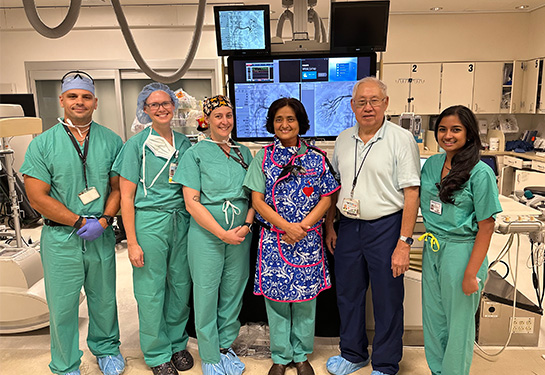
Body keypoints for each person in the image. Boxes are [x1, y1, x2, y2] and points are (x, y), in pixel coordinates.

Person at [21, 71, 125, 375]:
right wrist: (78, 220)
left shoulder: (111, 140)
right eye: (73, 96)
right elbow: (37, 196)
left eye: (86, 96)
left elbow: (118, 188)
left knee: (104, 298)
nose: (79, 102)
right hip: (61, 237)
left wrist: (105, 220)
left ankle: (106, 348)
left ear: (95, 102)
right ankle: (66, 364)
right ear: (62, 101)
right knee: (63, 305)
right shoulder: (43, 144)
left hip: (101, 234)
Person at [325, 77, 421, 375]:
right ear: (352, 106)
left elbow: (412, 192)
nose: (368, 107)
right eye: (361, 102)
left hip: (387, 228)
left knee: (387, 297)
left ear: (386, 103)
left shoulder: (400, 139)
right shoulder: (342, 139)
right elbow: (333, 188)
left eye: (374, 100)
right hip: (349, 227)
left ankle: (385, 362)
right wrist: (331, 227)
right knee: (348, 294)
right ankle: (353, 353)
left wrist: (404, 242)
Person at [243, 97, 340, 375]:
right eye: (278, 119)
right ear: (271, 124)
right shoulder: (262, 157)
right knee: (276, 302)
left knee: (306, 302)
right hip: (275, 239)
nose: (284, 124)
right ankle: (280, 356)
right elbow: (257, 201)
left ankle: (300, 355)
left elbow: (327, 198)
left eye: (290, 119)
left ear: (301, 123)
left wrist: (302, 227)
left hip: (307, 240)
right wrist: (286, 226)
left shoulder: (316, 157)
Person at [113, 82, 194, 375]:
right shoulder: (136, 145)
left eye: (166, 103)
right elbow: (126, 196)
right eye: (154, 105)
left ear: (174, 106)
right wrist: (132, 241)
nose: (161, 108)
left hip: (181, 222)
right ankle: (157, 352)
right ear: (145, 110)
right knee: (151, 289)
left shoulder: (185, 144)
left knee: (180, 285)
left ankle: (176, 343)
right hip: (149, 222)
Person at [174, 95, 254, 375]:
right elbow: (191, 201)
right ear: (206, 120)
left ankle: (224, 347)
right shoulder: (194, 153)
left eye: (229, 115)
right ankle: (209, 355)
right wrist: (221, 232)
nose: (224, 121)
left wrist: (246, 226)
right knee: (206, 292)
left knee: (233, 290)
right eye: (218, 116)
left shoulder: (244, 152)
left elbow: (255, 195)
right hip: (207, 234)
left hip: (241, 233)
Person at [419, 105, 501, 375]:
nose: (448, 135)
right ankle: (437, 370)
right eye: (442, 129)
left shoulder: (480, 173)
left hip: (462, 251)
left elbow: (486, 226)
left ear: (469, 133)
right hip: (433, 248)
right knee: (434, 318)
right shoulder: (432, 164)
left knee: (458, 324)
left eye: (456, 129)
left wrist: (470, 273)